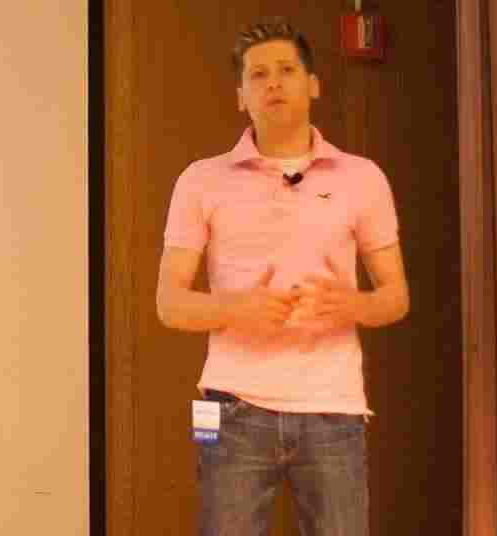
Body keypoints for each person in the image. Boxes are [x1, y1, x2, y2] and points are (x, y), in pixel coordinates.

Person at [156, 16, 410, 536]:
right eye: (258, 74)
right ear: (240, 96)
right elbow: (169, 303)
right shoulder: (201, 181)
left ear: (313, 84)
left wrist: (353, 304)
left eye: (286, 70)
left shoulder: (362, 179)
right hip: (231, 410)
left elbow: (395, 297)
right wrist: (236, 310)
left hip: (334, 410)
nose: (273, 83)